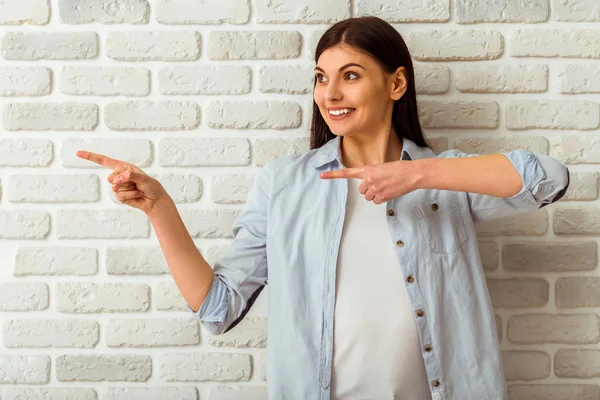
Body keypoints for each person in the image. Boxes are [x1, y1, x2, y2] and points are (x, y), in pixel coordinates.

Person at [77, 16, 570, 400]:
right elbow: (217, 309)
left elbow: (548, 178)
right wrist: (159, 208)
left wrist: (416, 172)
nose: (329, 95)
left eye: (350, 76)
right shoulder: (284, 184)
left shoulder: (447, 178)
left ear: (396, 85)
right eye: (320, 78)